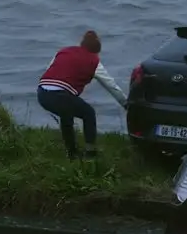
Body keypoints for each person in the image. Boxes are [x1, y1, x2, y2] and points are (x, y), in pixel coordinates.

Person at [37, 30, 127, 159]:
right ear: (96, 50)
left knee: (66, 116)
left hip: (42, 93)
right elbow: (111, 85)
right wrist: (125, 103)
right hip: (60, 95)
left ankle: (72, 153)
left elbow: (50, 70)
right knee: (88, 113)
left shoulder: (63, 52)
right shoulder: (94, 61)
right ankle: (90, 152)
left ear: (82, 44)